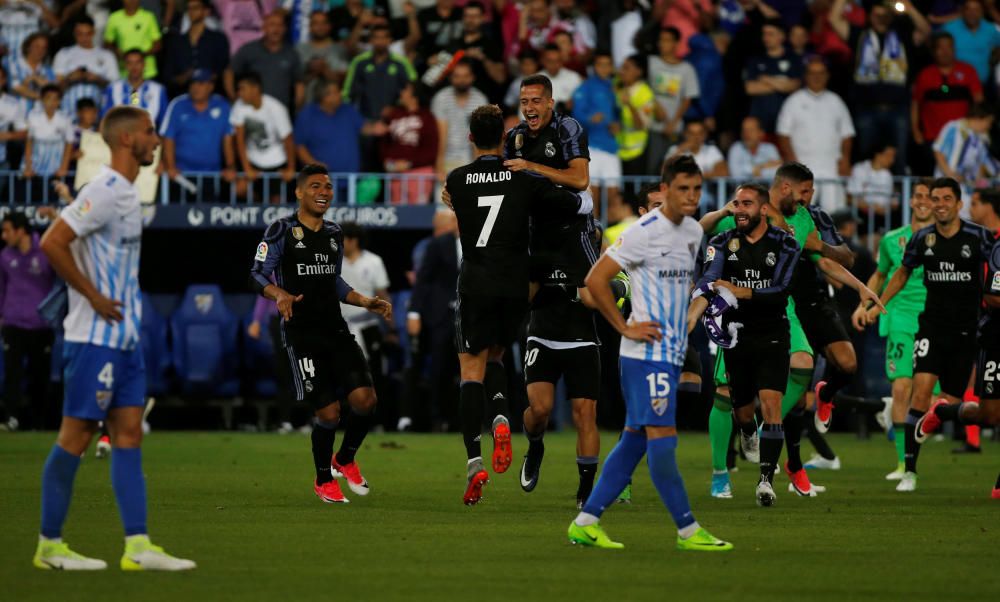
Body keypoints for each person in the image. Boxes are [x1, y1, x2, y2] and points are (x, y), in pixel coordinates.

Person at [34, 105, 195, 571]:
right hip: (93, 339)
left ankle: (138, 547)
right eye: (149, 131)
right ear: (127, 140)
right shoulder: (102, 192)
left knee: (128, 435)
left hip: (125, 340)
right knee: (75, 438)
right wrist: (93, 295)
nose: (156, 138)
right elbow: (52, 241)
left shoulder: (126, 193)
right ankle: (50, 546)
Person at [567, 155, 731, 551]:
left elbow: (682, 286)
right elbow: (595, 280)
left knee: (635, 439)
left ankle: (585, 522)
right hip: (644, 353)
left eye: (696, 189)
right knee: (663, 439)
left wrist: (691, 317)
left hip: (670, 351)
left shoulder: (692, 232)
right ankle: (688, 530)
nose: (691, 197)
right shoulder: (642, 232)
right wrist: (623, 326)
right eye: (683, 189)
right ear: (667, 187)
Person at [447, 104, 590, 505]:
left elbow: (460, 202)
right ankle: (501, 418)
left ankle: (475, 461)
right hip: (515, 287)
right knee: (495, 356)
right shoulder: (522, 179)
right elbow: (579, 204)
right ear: (505, 137)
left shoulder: (456, 180)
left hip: (475, 282)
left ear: (471, 138)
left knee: (470, 372)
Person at [249, 163, 392, 504]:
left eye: (327, 187)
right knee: (328, 413)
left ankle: (344, 459)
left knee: (366, 400)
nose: (323, 192)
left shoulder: (334, 233)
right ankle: (323, 479)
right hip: (302, 335)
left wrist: (365, 301)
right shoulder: (281, 230)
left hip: (336, 330)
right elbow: (257, 273)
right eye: (315, 186)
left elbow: (335, 282)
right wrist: (279, 294)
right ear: (299, 192)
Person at [862, 177, 996, 492]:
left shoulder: (979, 238)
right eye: (935, 199)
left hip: (968, 331)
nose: (939, 204)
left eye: (946, 198)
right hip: (931, 327)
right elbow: (902, 273)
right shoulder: (922, 239)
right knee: (918, 391)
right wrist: (878, 304)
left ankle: (938, 415)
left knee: (949, 400)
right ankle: (909, 470)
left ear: (958, 204)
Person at [692, 182, 802, 507]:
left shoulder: (785, 244)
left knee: (771, 404)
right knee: (741, 410)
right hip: (736, 335)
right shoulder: (722, 242)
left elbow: (781, 290)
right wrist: (698, 299)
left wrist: (744, 292)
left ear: (764, 209)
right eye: (736, 204)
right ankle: (747, 432)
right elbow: (710, 277)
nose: (740, 210)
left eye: (747, 204)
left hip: (772, 333)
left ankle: (766, 480)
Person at [914, 194, 1000, 497]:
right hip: (995, 336)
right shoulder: (995, 246)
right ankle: (945, 412)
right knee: (990, 415)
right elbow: (992, 296)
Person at [851, 179, 935, 480]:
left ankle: (906, 437)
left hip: (934, 321)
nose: (924, 201)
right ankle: (903, 463)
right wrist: (865, 303)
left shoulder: (945, 239)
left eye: (930, 197)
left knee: (935, 400)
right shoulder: (892, 240)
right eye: (919, 196)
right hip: (898, 316)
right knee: (902, 387)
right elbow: (880, 274)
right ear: (911, 201)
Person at [828, 0, 929, 174]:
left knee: (899, 158)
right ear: (870, 16)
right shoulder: (859, 35)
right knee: (866, 159)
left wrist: (909, 7)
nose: (881, 18)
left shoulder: (903, 35)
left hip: (898, 109)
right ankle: (865, 198)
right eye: (877, 14)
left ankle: (899, 198)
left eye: (885, 15)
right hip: (866, 109)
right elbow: (833, 19)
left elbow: (926, 31)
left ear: (892, 17)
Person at [404, 210, 460, 431]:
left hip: (468, 315)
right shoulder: (436, 245)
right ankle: (437, 418)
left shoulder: (477, 242)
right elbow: (423, 280)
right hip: (439, 317)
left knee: (468, 370)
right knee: (438, 368)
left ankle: (465, 419)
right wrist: (414, 313)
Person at [776, 57, 855, 213]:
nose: (817, 77)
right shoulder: (793, 101)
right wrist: (794, 166)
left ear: (827, 76)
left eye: (821, 73)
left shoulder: (836, 102)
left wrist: (845, 159)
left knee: (834, 214)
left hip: (831, 169)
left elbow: (847, 134)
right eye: (812, 73)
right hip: (803, 170)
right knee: (799, 213)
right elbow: (783, 135)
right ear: (806, 76)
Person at [0, 211, 55, 431]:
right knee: (12, 374)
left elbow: (58, 284)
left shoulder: (46, 251)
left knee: (39, 377)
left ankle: (38, 423)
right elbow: (1, 288)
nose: (3, 236)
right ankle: (11, 418)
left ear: (20, 230)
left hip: (41, 325)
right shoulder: (4, 256)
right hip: (13, 323)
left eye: (6, 230)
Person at [339, 222, 394, 427]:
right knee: (342, 374)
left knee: (374, 374)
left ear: (353, 240)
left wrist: (391, 327)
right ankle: (343, 420)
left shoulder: (373, 262)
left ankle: (376, 421)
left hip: (369, 326)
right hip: (341, 327)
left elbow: (383, 295)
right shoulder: (333, 262)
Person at [159, 70, 237, 201]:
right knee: (177, 217)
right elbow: (168, 138)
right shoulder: (178, 105)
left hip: (212, 175)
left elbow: (228, 139)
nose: (195, 87)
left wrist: (230, 166)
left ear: (210, 86)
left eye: (201, 83)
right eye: (193, 84)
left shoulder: (223, 106)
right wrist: (171, 166)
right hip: (181, 175)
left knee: (208, 215)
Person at [231, 71, 296, 202]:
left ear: (255, 89)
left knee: (276, 201)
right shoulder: (239, 106)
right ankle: (257, 204)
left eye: (243, 88)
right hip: (252, 159)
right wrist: (247, 168)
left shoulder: (276, 108)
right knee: (239, 190)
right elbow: (239, 140)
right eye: (238, 89)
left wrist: (291, 168)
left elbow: (288, 140)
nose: (239, 93)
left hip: (276, 160)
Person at [647, 26, 700, 176]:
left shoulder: (687, 69)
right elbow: (644, 90)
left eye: (667, 40)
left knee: (673, 169)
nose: (662, 44)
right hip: (653, 126)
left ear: (676, 44)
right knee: (653, 169)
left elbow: (687, 98)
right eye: (661, 40)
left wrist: (673, 122)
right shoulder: (651, 62)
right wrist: (657, 107)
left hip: (675, 129)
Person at [227, 12, 304, 112]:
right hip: (251, 111)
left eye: (280, 25)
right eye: (272, 25)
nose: (276, 30)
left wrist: (298, 106)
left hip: (280, 113)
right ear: (264, 28)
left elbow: (299, 84)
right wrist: (234, 98)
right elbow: (229, 72)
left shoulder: (292, 54)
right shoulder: (249, 49)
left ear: (285, 29)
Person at [571, 50, 620, 209]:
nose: (604, 68)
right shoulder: (586, 87)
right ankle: (594, 232)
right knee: (594, 196)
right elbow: (576, 114)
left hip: (611, 147)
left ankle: (609, 233)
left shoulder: (615, 87)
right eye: (600, 64)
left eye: (607, 65)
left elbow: (618, 113)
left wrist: (616, 124)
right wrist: (590, 118)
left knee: (613, 196)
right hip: (592, 147)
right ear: (594, 67)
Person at [381, 83, 439, 205]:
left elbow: (432, 149)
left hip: (419, 173)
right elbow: (384, 142)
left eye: (405, 90)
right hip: (396, 173)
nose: (401, 93)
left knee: (418, 216)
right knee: (396, 215)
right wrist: (388, 162)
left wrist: (409, 164)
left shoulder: (427, 117)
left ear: (414, 95)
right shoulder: (393, 115)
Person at [432, 60, 489, 184]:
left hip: (469, 161)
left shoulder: (480, 99)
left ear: (472, 77)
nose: (461, 80)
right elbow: (441, 135)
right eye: (457, 76)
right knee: (443, 202)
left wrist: (477, 167)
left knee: (468, 202)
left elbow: (479, 137)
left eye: (465, 76)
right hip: (446, 160)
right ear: (450, 78)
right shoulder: (441, 98)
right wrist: (439, 165)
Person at [160, 0, 230, 98]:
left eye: (196, 8)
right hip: (182, 96)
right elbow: (168, 76)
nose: (191, 11)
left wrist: (203, 81)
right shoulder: (176, 42)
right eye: (189, 8)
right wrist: (184, 77)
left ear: (206, 11)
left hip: (212, 97)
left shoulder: (218, 39)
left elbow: (222, 70)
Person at [743, 19, 801, 134]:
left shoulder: (793, 58)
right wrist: (781, 83)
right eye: (764, 34)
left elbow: (794, 86)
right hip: (760, 123)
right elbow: (750, 88)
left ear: (782, 36)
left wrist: (766, 79)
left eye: (770, 34)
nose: (766, 37)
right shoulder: (755, 60)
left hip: (787, 123)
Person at [53, 17, 120, 117]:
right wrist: (70, 79)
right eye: (80, 34)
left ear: (94, 32)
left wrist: (97, 79)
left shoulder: (106, 55)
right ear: (74, 33)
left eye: (88, 33)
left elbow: (116, 87)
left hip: (97, 113)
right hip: (68, 113)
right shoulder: (64, 54)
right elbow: (55, 88)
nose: (84, 38)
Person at [932, 104, 998, 187]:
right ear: (978, 118)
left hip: (967, 186)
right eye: (988, 122)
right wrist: (949, 174)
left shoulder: (982, 138)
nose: (989, 126)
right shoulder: (953, 127)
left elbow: (983, 162)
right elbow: (938, 150)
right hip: (945, 184)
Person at [101, 49, 169, 128]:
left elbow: (165, 121)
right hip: (121, 137)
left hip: (148, 136)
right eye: (130, 63)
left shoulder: (158, 90)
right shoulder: (113, 88)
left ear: (144, 64)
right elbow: (105, 118)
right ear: (125, 66)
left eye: (138, 62)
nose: (134, 67)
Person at [941, 0, 1000, 86]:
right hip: (954, 84)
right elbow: (936, 48)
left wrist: (995, 59)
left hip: (983, 84)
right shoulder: (949, 28)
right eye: (968, 9)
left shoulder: (990, 29)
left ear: (982, 12)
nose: (972, 13)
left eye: (976, 10)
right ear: (962, 11)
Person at [296, 11, 349, 105]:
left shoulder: (339, 49)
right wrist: (312, 72)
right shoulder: (299, 49)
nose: (320, 27)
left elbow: (344, 82)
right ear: (310, 27)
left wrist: (325, 69)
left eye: (324, 23)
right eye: (316, 23)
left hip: (333, 107)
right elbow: (294, 81)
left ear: (329, 26)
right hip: (307, 106)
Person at [22, 84, 73, 181]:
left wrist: (64, 167)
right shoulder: (33, 116)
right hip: (35, 165)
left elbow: (69, 143)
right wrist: (28, 166)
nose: (51, 102)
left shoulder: (65, 118)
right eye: (48, 98)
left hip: (56, 167)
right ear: (42, 100)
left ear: (59, 101)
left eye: (55, 99)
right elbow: (29, 142)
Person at [614, 54, 654, 177]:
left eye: (626, 68)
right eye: (622, 67)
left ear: (639, 72)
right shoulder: (617, 85)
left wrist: (630, 105)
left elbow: (642, 125)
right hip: (617, 150)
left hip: (637, 152)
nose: (622, 71)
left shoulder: (645, 93)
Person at [103, 0, 162, 79]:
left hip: (147, 72)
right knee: (129, 91)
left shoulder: (149, 17)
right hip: (124, 71)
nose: (132, 1)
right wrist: (117, 52)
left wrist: (139, 57)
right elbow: (107, 43)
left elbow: (158, 44)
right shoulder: (114, 18)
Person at [847, 143, 898, 231]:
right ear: (878, 155)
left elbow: (894, 202)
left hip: (884, 215)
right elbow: (850, 198)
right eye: (889, 155)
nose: (892, 160)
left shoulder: (888, 175)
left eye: (893, 156)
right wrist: (871, 207)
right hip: (864, 213)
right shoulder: (860, 169)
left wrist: (887, 207)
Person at [6, 32, 55, 115]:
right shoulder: (13, 63)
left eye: (44, 48)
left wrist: (36, 80)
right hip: (17, 115)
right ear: (28, 47)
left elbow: (53, 92)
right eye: (37, 46)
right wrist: (44, 97)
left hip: (40, 116)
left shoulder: (48, 70)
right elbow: (16, 88)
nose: (40, 50)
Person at [727, 115, 781, 180]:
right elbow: (736, 174)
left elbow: (778, 173)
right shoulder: (736, 148)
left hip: (766, 190)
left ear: (761, 133)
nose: (746, 134)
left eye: (751, 130)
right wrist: (763, 167)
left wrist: (758, 168)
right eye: (744, 130)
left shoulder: (770, 148)